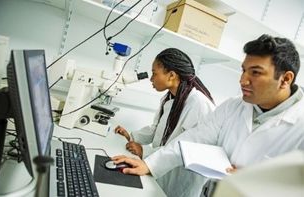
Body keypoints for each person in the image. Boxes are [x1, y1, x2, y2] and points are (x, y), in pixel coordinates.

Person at [112, 34, 304, 196]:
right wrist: (151, 164)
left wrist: (260, 186)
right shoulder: (233, 107)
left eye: (255, 72)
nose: (243, 80)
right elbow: (193, 139)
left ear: (285, 79)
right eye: (243, 70)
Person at [114, 48, 215, 196]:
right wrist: (131, 136)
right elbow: (156, 129)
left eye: (155, 73)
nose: (151, 79)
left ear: (171, 75)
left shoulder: (198, 104)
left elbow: (182, 149)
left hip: (180, 179)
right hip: (161, 171)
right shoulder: (170, 98)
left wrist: (145, 151)